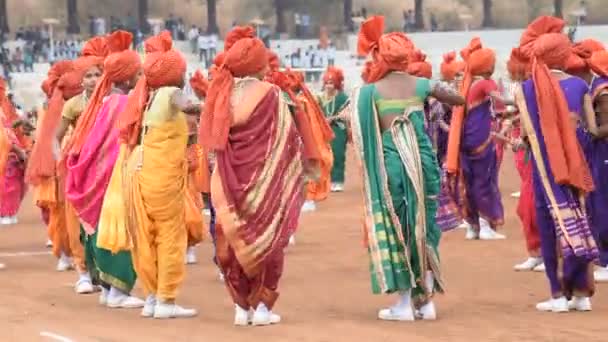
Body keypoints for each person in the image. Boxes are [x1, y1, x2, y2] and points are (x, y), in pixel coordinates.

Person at [353, 16, 464, 322]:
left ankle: (404, 304)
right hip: (424, 164)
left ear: (381, 57)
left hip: (393, 166)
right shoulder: (422, 85)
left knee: (400, 229)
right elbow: (459, 99)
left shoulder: (370, 92)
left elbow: (360, 132)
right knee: (424, 228)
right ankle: (426, 304)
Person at [201, 26, 307, 326]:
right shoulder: (271, 93)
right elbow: (287, 137)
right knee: (268, 239)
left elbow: (211, 141)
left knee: (232, 238)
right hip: (264, 180)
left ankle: (240, 307)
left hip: (226, 179)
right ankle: (262, 307)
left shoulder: (220, 93)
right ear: (261, 66)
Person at [515, 16, 597, 313]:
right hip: (578, 169)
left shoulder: (526, 90)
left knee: (551, 227)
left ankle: (557, 295)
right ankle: (582, 295)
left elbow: (526, 135)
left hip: (545, 171)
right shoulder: (579, 85)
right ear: (565, 56)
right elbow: (592, 127)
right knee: (579, 223)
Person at [63, 31, 145, 309]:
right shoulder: (123, 102)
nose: (139, 77)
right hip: (114, 176)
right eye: (137, 72)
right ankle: (119, 291)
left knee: (101, 230)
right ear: (126, 77)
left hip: (99, 175)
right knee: (120, 229)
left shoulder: (107, 101)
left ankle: (110, 290)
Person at [120, 32, 199, 319]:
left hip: (141, 172)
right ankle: (166, 299)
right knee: (170, 236)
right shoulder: (168, 92)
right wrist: (214, 106)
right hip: (162, 177)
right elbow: (188, 105)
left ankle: (152, 297)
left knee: (146, 236)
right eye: (183, 72)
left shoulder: (149, 97)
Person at [445, 37, 509, 240]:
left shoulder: (468, 83)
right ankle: (485, 225)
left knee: (470, 181)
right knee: (485, 180)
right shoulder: (486, 83)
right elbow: (502, 101)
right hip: (482, 139)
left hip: (465, 139)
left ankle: (473, 226)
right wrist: (522, 99)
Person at [26, 61, 78, 273]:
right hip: (59, 167)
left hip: (72, 165)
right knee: (60, 213)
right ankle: (65, 254)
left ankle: (73, 255)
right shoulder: (53, 110)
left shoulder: (79, 105)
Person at [507, 47, 544, 272]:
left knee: (530, 207)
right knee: (526, 207)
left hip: (536, 152)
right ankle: (536, 252)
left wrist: (523, 140)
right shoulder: (528, 88)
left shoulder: (531, 87)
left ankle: (542, 252)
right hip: (530, 150)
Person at [587, 50, 608, 282]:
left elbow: (605, 127)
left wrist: (585, 132)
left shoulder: (602, 90)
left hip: (604, 152)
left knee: (602, 205)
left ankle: (605, 260)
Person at [0, 79, 27, 225]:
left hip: (9, 153)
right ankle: (6, 213)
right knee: (10, 185)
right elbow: (8, 134)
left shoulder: (10, 110)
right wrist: (20, 151)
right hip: (8, 154)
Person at [319, 66, 349, 192]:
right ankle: (327, 181)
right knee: (324, 156)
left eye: (331, 83)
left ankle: (338, 180)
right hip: (323, 130)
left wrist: (333, 118)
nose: (328, 86)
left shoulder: (342, 97)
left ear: (336, 83)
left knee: (337, 154)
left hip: (338, 129)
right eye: (326, 83)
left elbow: (347, 113)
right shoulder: (320, 97)